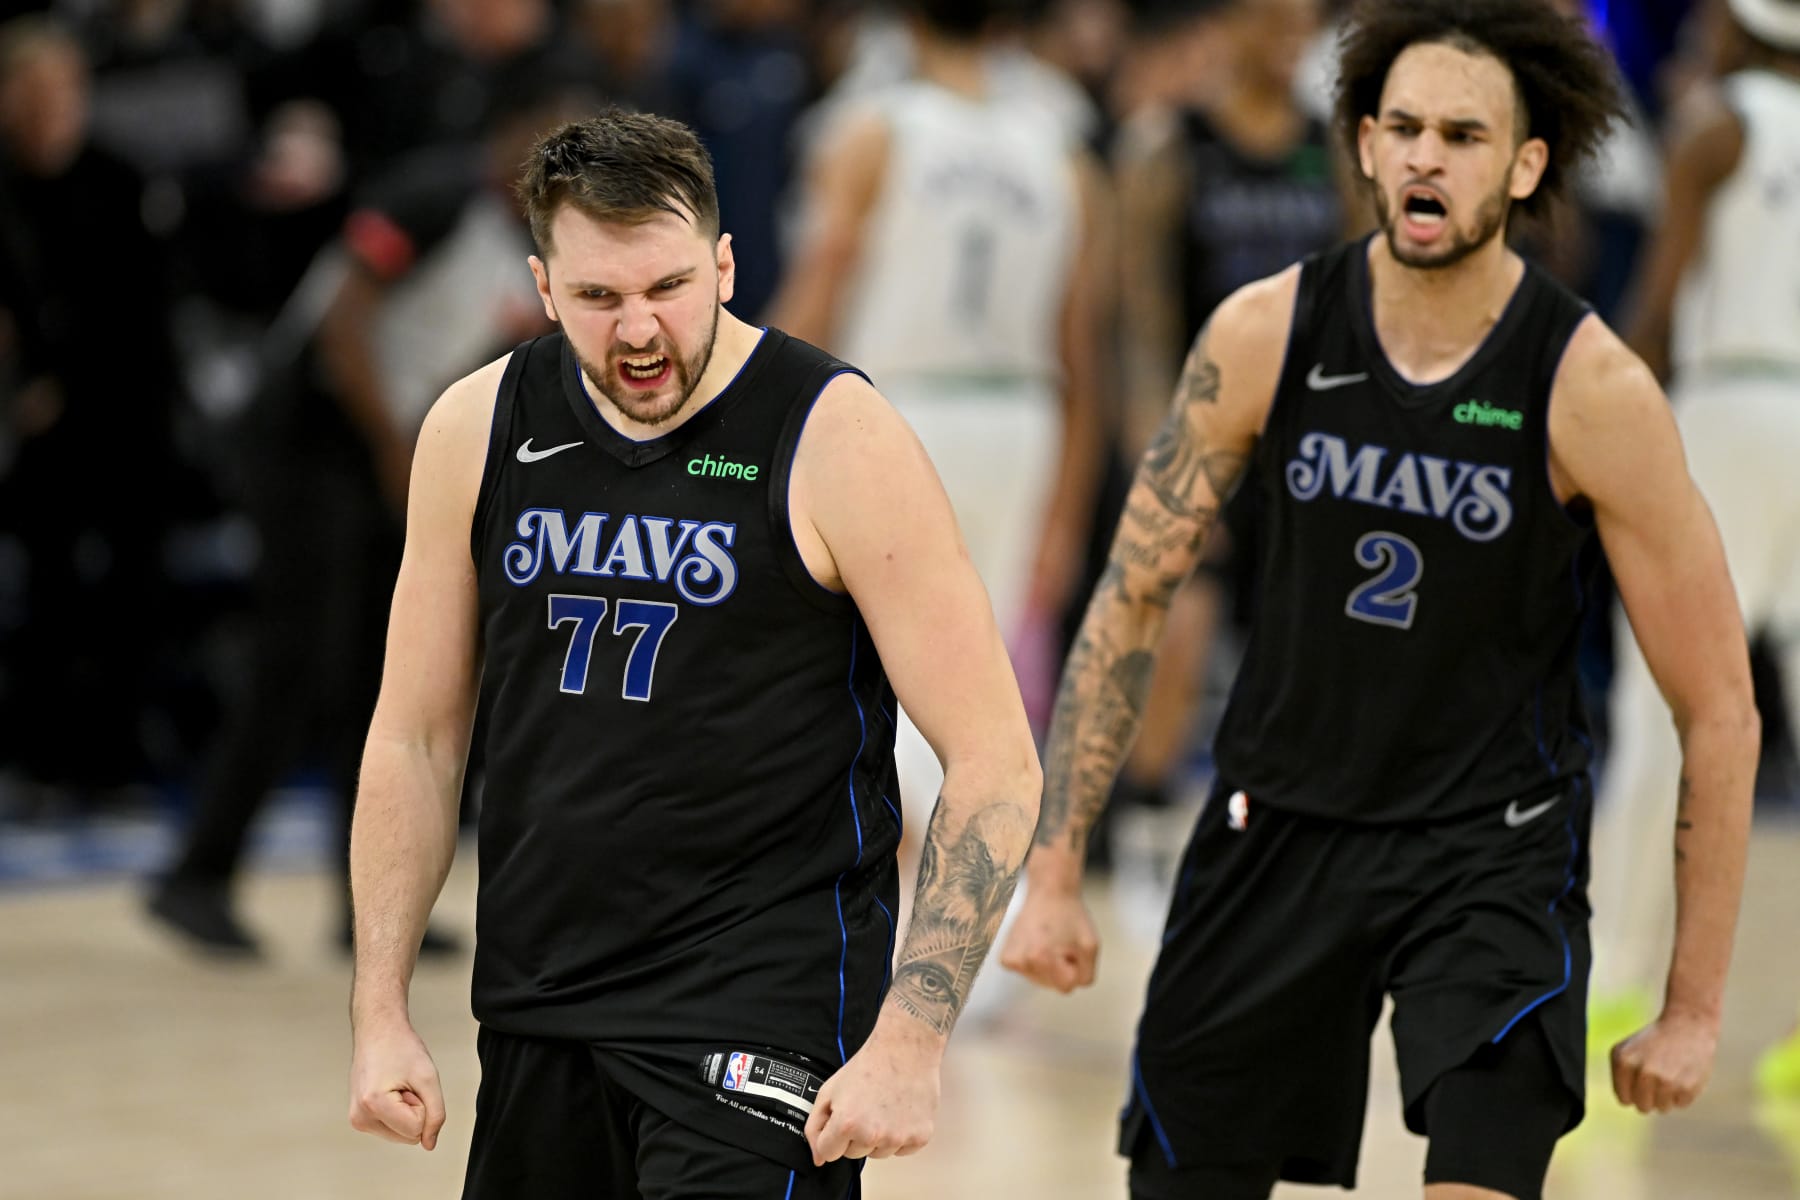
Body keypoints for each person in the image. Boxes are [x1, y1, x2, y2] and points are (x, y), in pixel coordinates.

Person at [1000, 1, 1762, 1197]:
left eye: (1462, 135)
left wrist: (1694, 1009)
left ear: (1526, 164)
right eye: (1400, 126)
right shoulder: (1264, 333)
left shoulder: (1591, 387)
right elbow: (1132, 597)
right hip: (1276, 823)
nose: (1423, 156)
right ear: (1359, 143)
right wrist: (1053, 874)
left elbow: (1719, 703)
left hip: (1490, 853)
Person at [344, 109, 1040, 1199]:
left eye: (668, 288)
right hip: (540, 1001)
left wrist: (913, 1036)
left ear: (723, 264)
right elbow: (416, 738)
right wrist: (379, 1008)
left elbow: (996, 757)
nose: (638, 332)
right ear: (541, 285)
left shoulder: (835, 438)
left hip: (758, 1012)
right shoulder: (477, 427)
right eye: (598, 298)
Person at [143, 88, 576, 957]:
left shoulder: (534, 237)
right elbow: (345, 318)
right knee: (295, 657)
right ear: (508, 132)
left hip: (385, 446)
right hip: (309, 437)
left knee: (387, 672)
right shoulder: (438, 194)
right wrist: (394, 448)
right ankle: (198, 874)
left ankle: (365, 905)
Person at [768, 0, 1104, 891]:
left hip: (899, 408)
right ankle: (968, 950)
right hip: (1023, 419)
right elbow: (1082, 349)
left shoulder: (871, 130)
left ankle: (895, 923)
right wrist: (1070, 506)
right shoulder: (1063, 152)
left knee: (878, 673)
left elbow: (823, 278)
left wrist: (744, 400)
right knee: (977, 676)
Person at [1586, 0, 1800, 1103]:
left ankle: (1615, 989)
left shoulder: (1720, 125)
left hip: (1727, 410)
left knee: (1659, 710)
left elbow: (1660, 299)